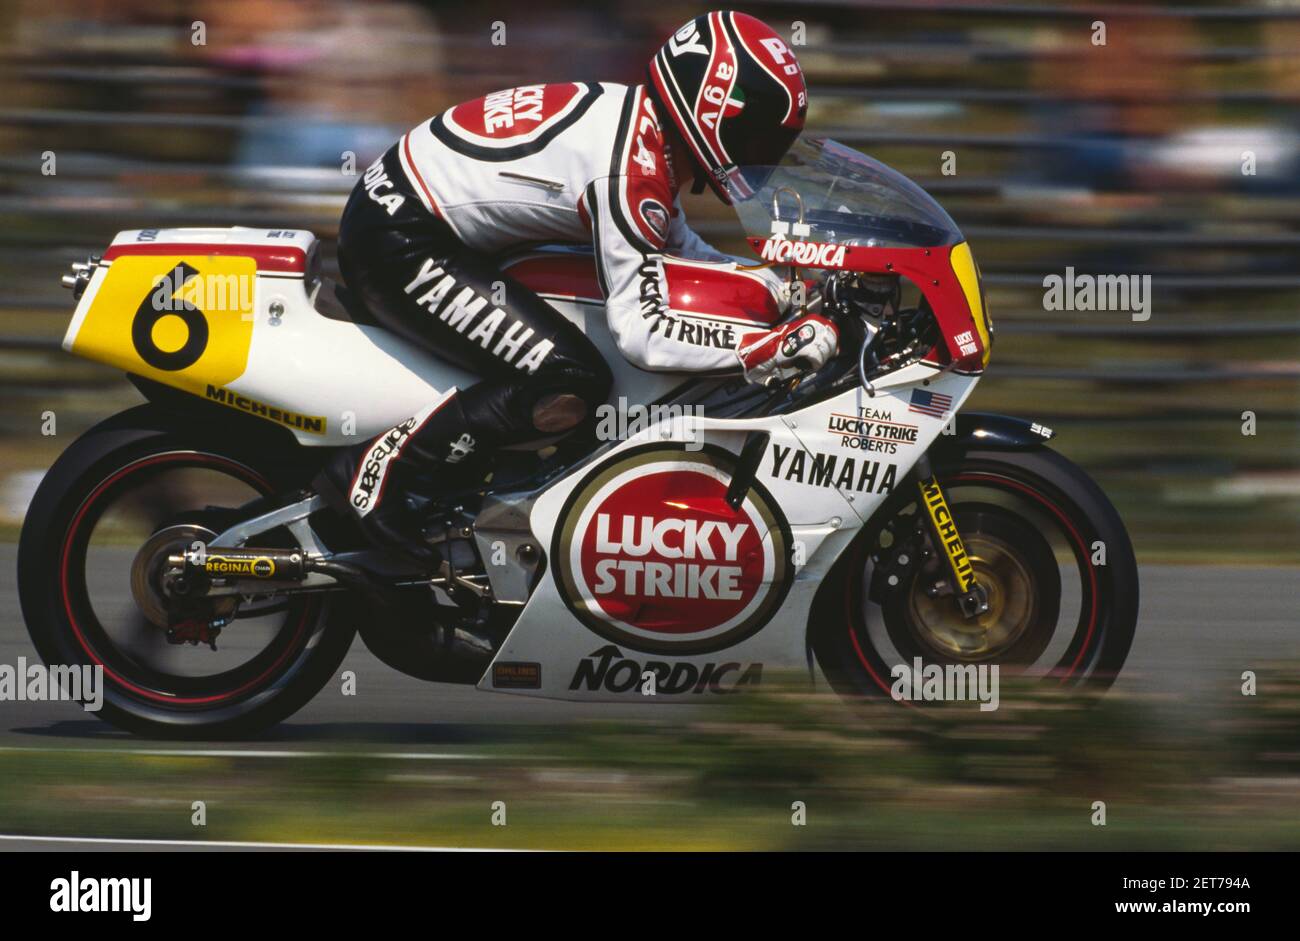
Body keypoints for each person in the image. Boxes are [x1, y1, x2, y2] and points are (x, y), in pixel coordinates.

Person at [316, 10, 839, 559]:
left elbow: (681, 252)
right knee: (570, 377)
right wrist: (765, 350)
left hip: (412, 213)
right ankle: (373, 477)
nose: (762, 157)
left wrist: (785, 286)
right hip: (400, 238)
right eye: (757, 137)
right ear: (716, 111)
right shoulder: (630, 170)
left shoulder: (643, 132)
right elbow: (643, 331)